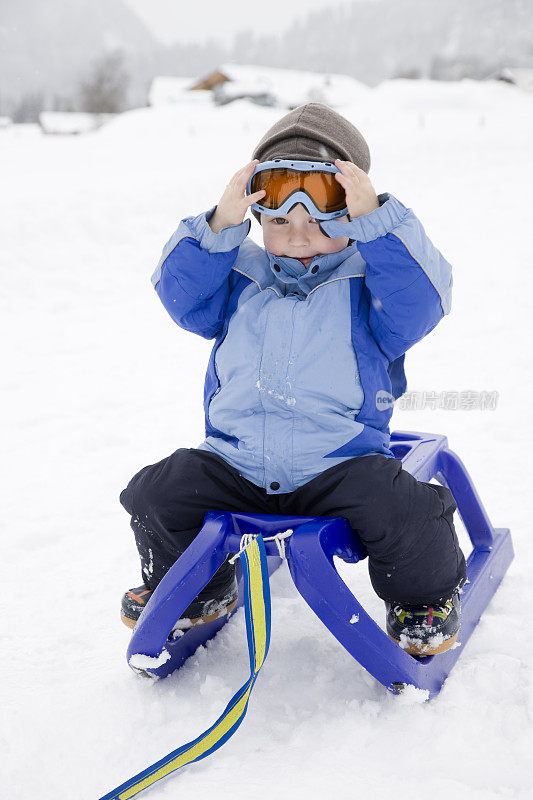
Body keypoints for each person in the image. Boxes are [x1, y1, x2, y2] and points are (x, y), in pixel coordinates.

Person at [120, 103, 466, 656]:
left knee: (404, 508)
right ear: (258, 221)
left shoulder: (370, 285)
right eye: (280, 221)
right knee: (158, 491)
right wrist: (218, 229)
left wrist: (381, 223)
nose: (298, 237)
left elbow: (424, 300)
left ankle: (424, 601)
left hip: (338, 464)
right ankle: (199, 590)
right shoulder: (238, 277)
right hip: (235, 462)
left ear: (352, 221)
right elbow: (180, 295)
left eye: (318, 222)